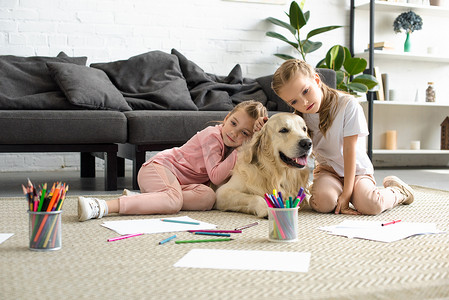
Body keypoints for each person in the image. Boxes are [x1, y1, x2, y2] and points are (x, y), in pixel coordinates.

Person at [255, 59, 414, 215]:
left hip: (356, 171)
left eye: (305, 91)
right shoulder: (300, 118)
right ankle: (326, 190)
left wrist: (346, 194)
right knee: (323, 204)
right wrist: (264, 124)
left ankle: (398, 191)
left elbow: (349, 152)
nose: (304, 102)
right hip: (328, 171)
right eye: (294, 101)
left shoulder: (347, 105)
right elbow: (283, 129)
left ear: (316, 79)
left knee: (371, 205)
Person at [78, 100, 268, 221]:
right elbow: (217, 177)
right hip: (158, 168)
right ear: (226, 118)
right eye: (233, 123)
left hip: (178, 184)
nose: (234, 133)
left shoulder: (230, 147)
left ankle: (147, 201)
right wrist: (242, 148)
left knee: (208, 197)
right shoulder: (213, 135)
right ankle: (103, 206)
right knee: (173, 201)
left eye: (244, 133)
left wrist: (255, 139)